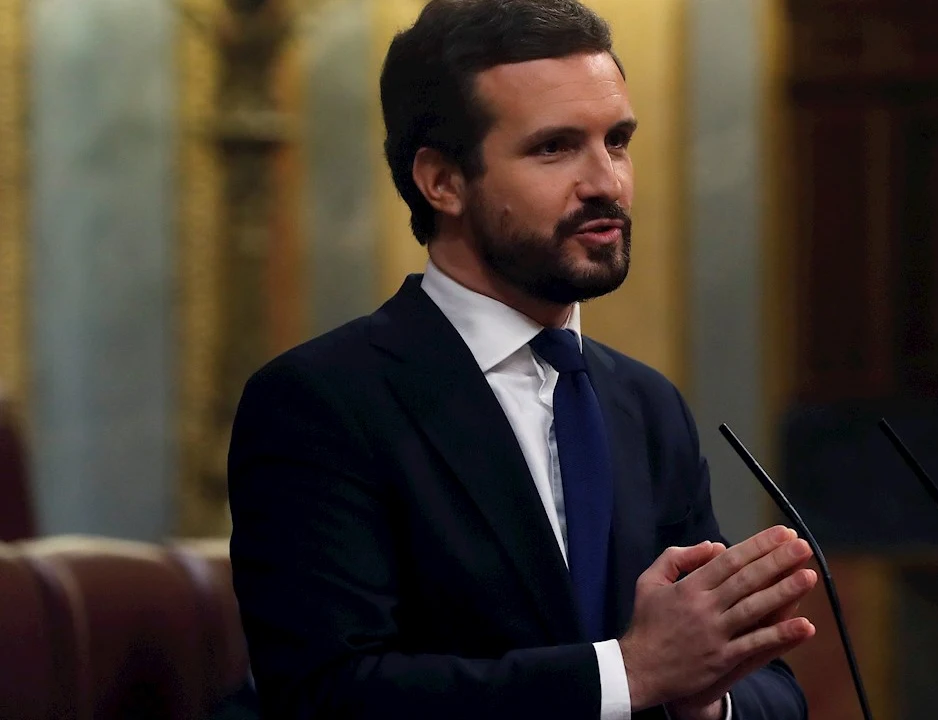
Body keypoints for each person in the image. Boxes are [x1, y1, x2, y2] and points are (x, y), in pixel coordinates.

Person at [227, 1, 818, 718]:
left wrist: (705, 701)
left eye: (618, 141)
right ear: (442, 182)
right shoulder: (320, 402)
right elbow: (327, 695)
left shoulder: (645, 404)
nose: (607, 182)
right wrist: (625, 675)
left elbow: (766, 689)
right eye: (555, 148)